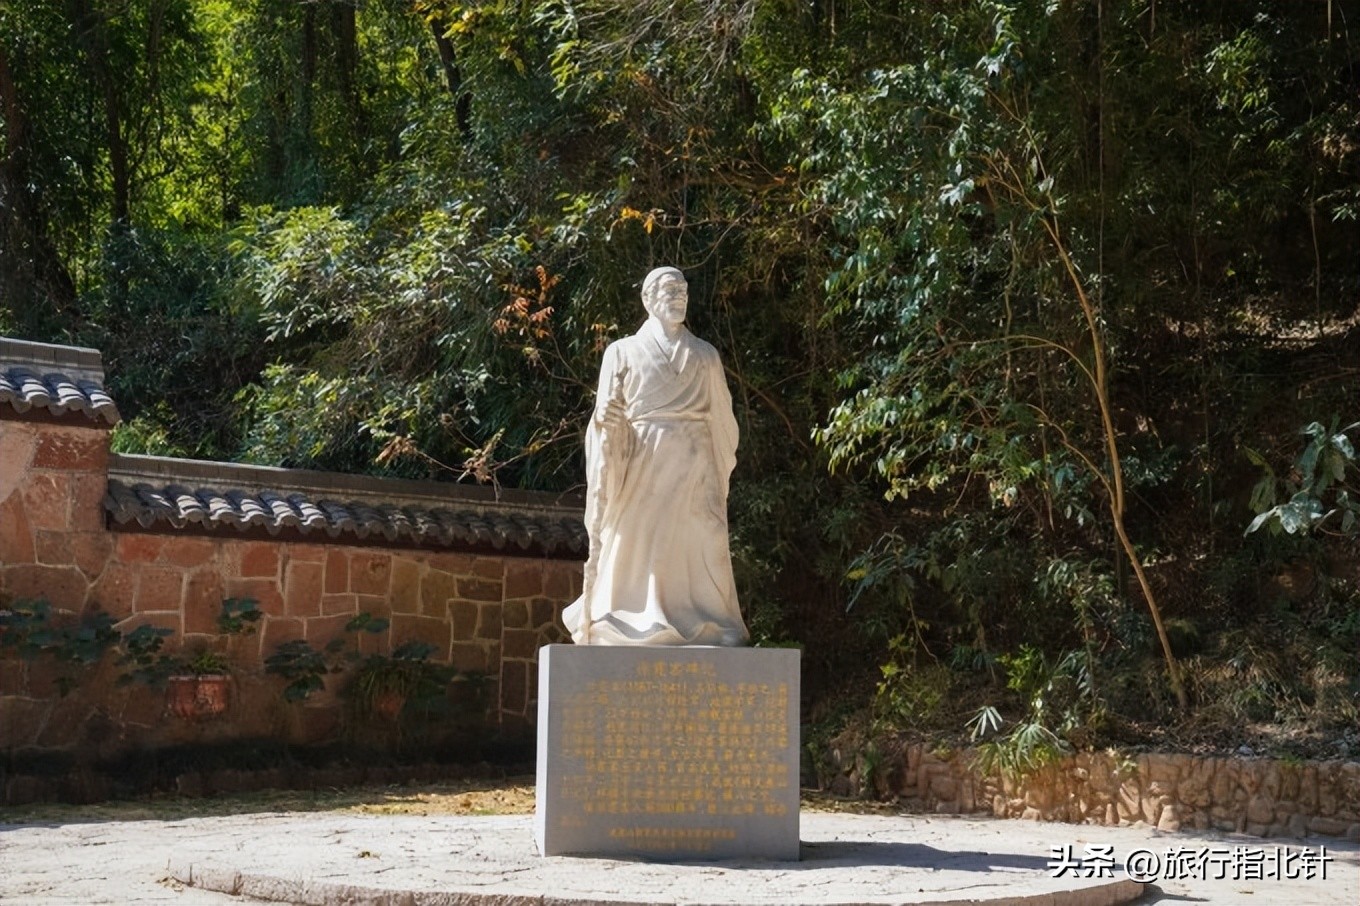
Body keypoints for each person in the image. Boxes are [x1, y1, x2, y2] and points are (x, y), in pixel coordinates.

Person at [563, 267, 749, 646]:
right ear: (648, 299)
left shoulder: (705, 355)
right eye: (669, 289)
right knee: (640, 542)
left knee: (706, 539)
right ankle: (630, 618)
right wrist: (605, 424)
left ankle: (710, 618)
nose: (679, 296)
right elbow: (605, 415)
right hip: (645, 459)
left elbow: (723, 415)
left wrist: (716, 457)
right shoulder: (623, 352)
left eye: (683, 290)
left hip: (697, 462)